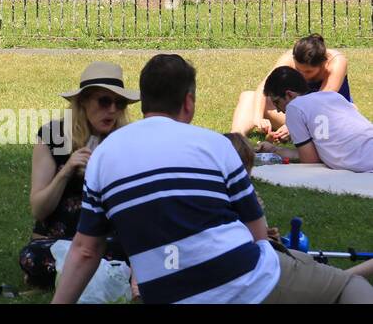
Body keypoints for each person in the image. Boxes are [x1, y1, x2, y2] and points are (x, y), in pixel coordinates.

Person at [53, 53, 373, 304]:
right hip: (248, 281)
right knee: (349, 287)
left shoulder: (103, 157)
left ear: (143, 101)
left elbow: (84, 251)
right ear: (188, 102)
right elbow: (259, 236)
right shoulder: (215, 145)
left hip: (167, 295)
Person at [20, 62, 136, 290]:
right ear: (83, 101)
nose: (112, 110)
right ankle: (98, 275)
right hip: (58, 241)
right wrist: (66, 170)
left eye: (119, 103)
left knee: (133, 250)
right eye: (104, 101)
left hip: (105, 242)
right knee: (31, 256)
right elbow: (39, 209)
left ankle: (68, 276)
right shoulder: (53, 137)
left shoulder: (125, 142)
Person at [232, 34, 352, 139]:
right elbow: (265, 87)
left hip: (325, 119)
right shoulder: (290, 57)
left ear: (322, 64)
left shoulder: (336, 62)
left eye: (309, 71)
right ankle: (235, 138)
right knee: (249, 96)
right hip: (300, 116)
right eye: (298, 69)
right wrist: (258, 117)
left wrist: (292, 125)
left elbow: (320, 104)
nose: (303, 75)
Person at [257, 66, 373, 173]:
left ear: (289, 95)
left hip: (364, 163)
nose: (277, 110)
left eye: (277, 102)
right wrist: (274, 149)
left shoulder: (294, 107)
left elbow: (310, 160)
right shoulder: (333, 96)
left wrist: (275, 151)